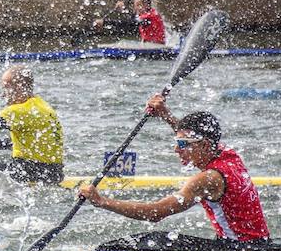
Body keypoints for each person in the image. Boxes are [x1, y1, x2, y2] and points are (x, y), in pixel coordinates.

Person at [78, 99, 271, 243]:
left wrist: (102, 201)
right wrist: (166, 115)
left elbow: (156, 213)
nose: (176, 149)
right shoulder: (225, 153)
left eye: (181, 144)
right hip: (257, 245)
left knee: (151, 242)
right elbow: (192, 136)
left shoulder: (207, 180)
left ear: (204, 146)